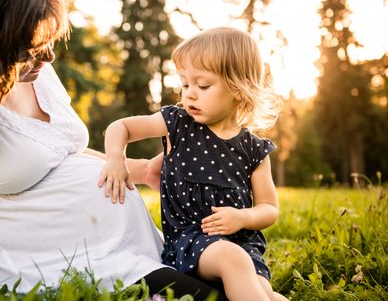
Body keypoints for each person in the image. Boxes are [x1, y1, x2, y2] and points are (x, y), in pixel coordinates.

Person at [0, 0, 227, 299]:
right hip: (60, 251)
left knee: (230, 278)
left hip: (121, 240)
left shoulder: (40, 74)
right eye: (34, 48)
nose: (49, 57)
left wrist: (141, 170)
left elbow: (63, 150)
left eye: (49, 41)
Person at [100, 27, 288, 300]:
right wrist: (115, 158)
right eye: (185, 84)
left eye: (202, 85)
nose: (189, 94)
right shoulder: (178, 124)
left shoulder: (254, 150)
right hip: (191, 241)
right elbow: (121, 127)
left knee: (265, 291)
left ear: (238, 88)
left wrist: (241, 218)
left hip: (243, 243)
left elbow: (269, 209)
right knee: (233, 261)